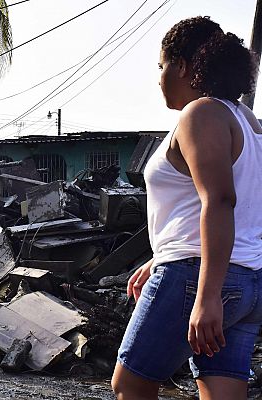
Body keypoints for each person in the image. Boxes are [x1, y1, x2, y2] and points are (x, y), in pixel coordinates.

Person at [110, 16, 262, 400]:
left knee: (130, 386)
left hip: (201, 278)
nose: (159, 77)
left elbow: (220, 200)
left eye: (161, 66)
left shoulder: (201, 114)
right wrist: (158, 258)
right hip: (247, 282)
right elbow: (235, 206)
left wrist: (207, 294)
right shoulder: (249, 122)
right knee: (222, 391)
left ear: (182, 66)